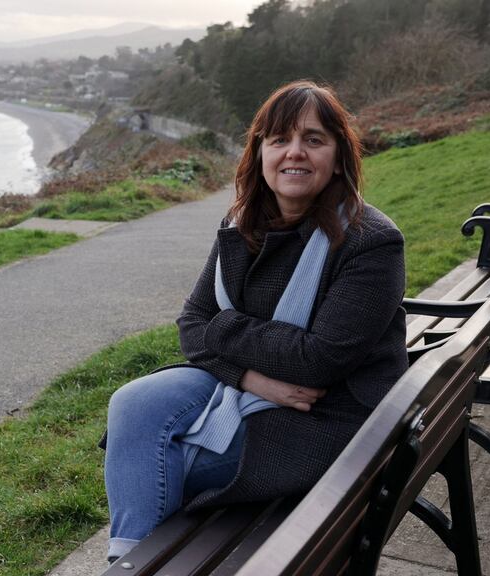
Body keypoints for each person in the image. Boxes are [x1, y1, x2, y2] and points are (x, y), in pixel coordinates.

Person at [102, 80, 408, 562]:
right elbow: (190, 326)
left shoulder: (371, 241)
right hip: (251, 387)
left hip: (326, 416)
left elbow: (316, 362)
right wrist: (248, 377)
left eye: (313, 139)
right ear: (259, 151)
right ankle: (127, 566)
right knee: (134, 405)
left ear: (338, 156)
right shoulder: (240, 222)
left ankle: (130, 566)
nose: (295, 153)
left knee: (157, 461)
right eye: (280, 139)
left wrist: (225, 327)